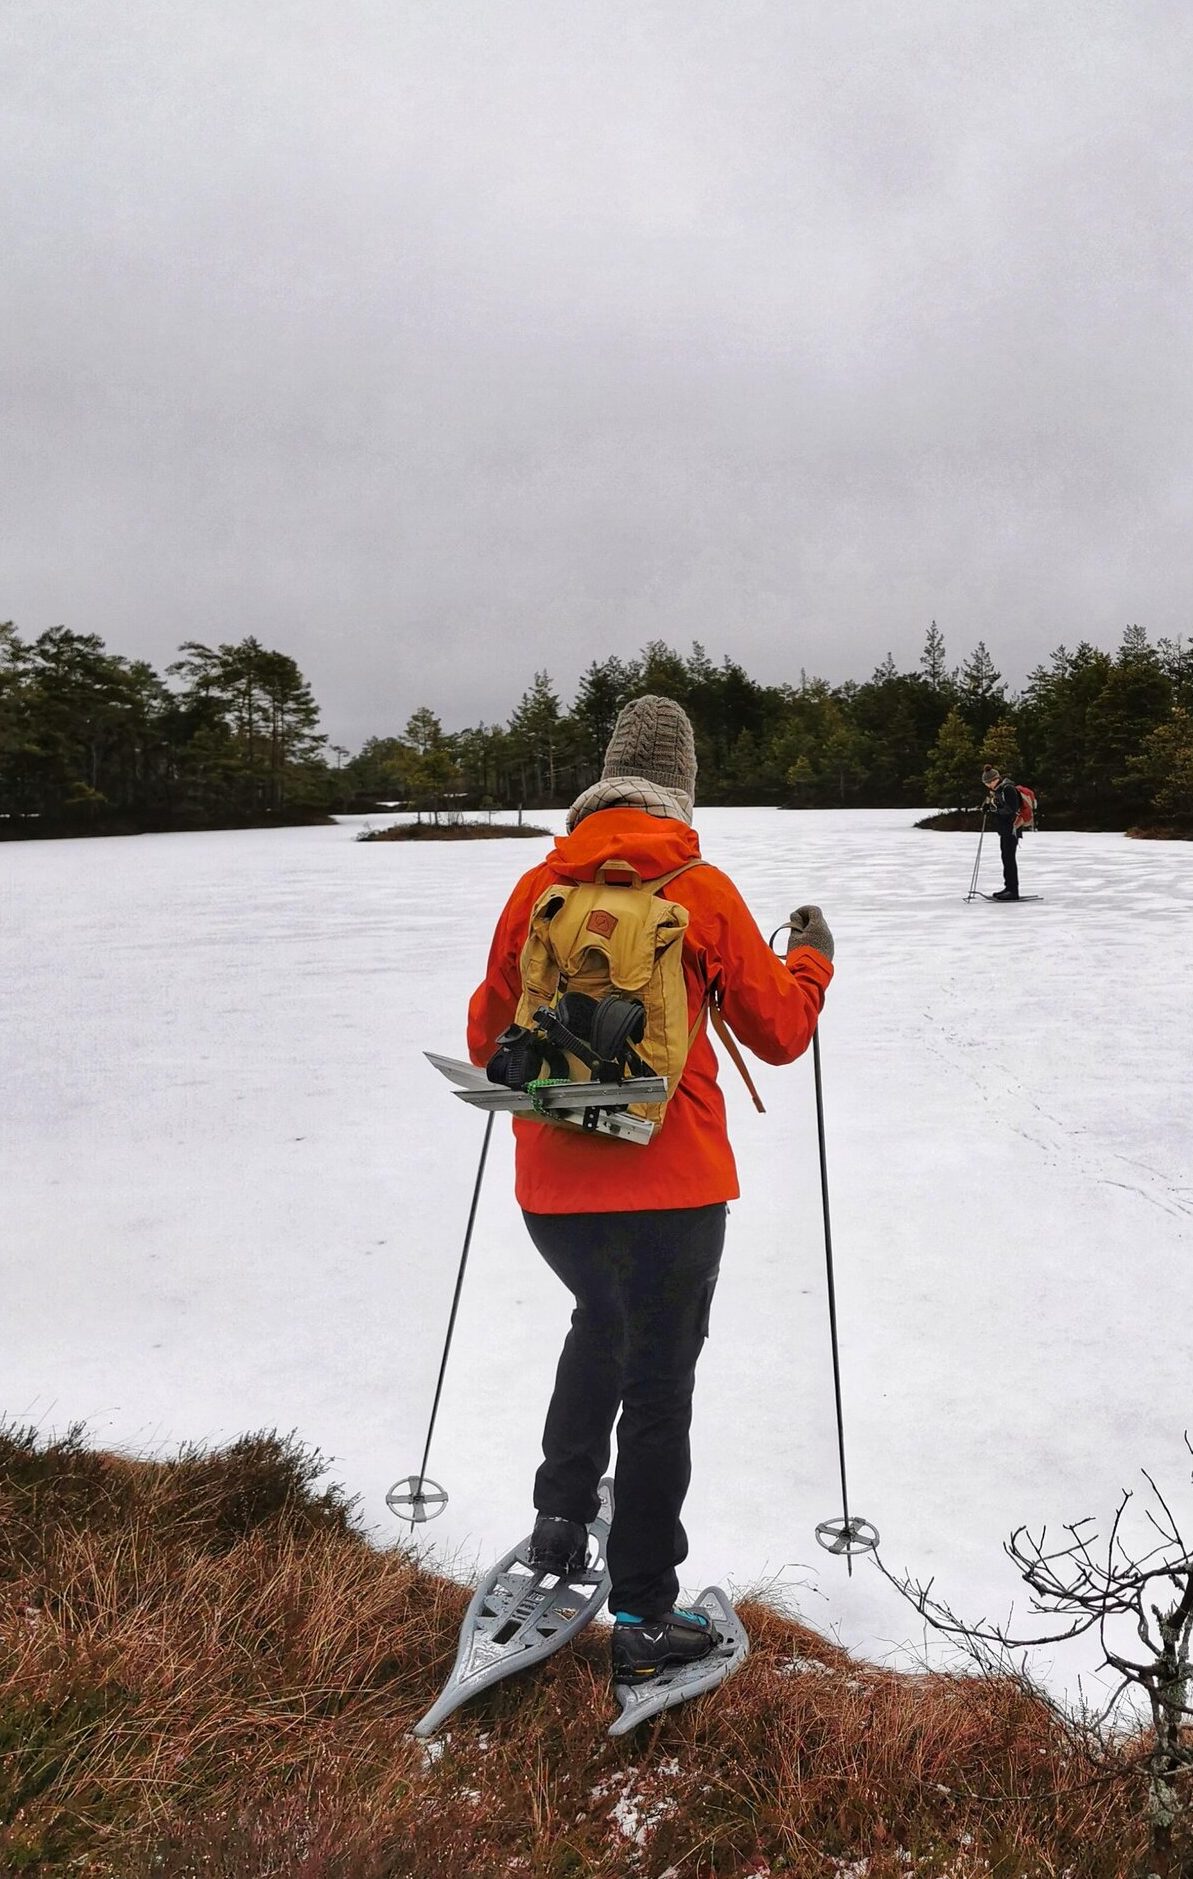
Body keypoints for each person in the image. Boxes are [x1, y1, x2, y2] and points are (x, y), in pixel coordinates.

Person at [467, 695, 833, 1685]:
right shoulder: (699, 889)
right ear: (681, 786)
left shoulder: (537, 886)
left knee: (599, 1320)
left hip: (554, 1194)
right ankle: (640, 1619)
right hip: (672, 1195)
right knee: (657, 1391)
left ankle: (556, 1526)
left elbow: (484, 1043)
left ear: (604, 780)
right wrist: (811, 961)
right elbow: (780, 1034)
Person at [982, 764, 1022, 900]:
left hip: (1012, 829)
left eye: (988, 782)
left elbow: (1011, 809)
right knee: (1005, 858)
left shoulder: (1008, 788)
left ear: (995, 779)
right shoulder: (998, 790)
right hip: (1004, 829)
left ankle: (1013, 891)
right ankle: (1008, 887)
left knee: (1009, 858)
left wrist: (994, 809)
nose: (988, 785)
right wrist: (989, 807)